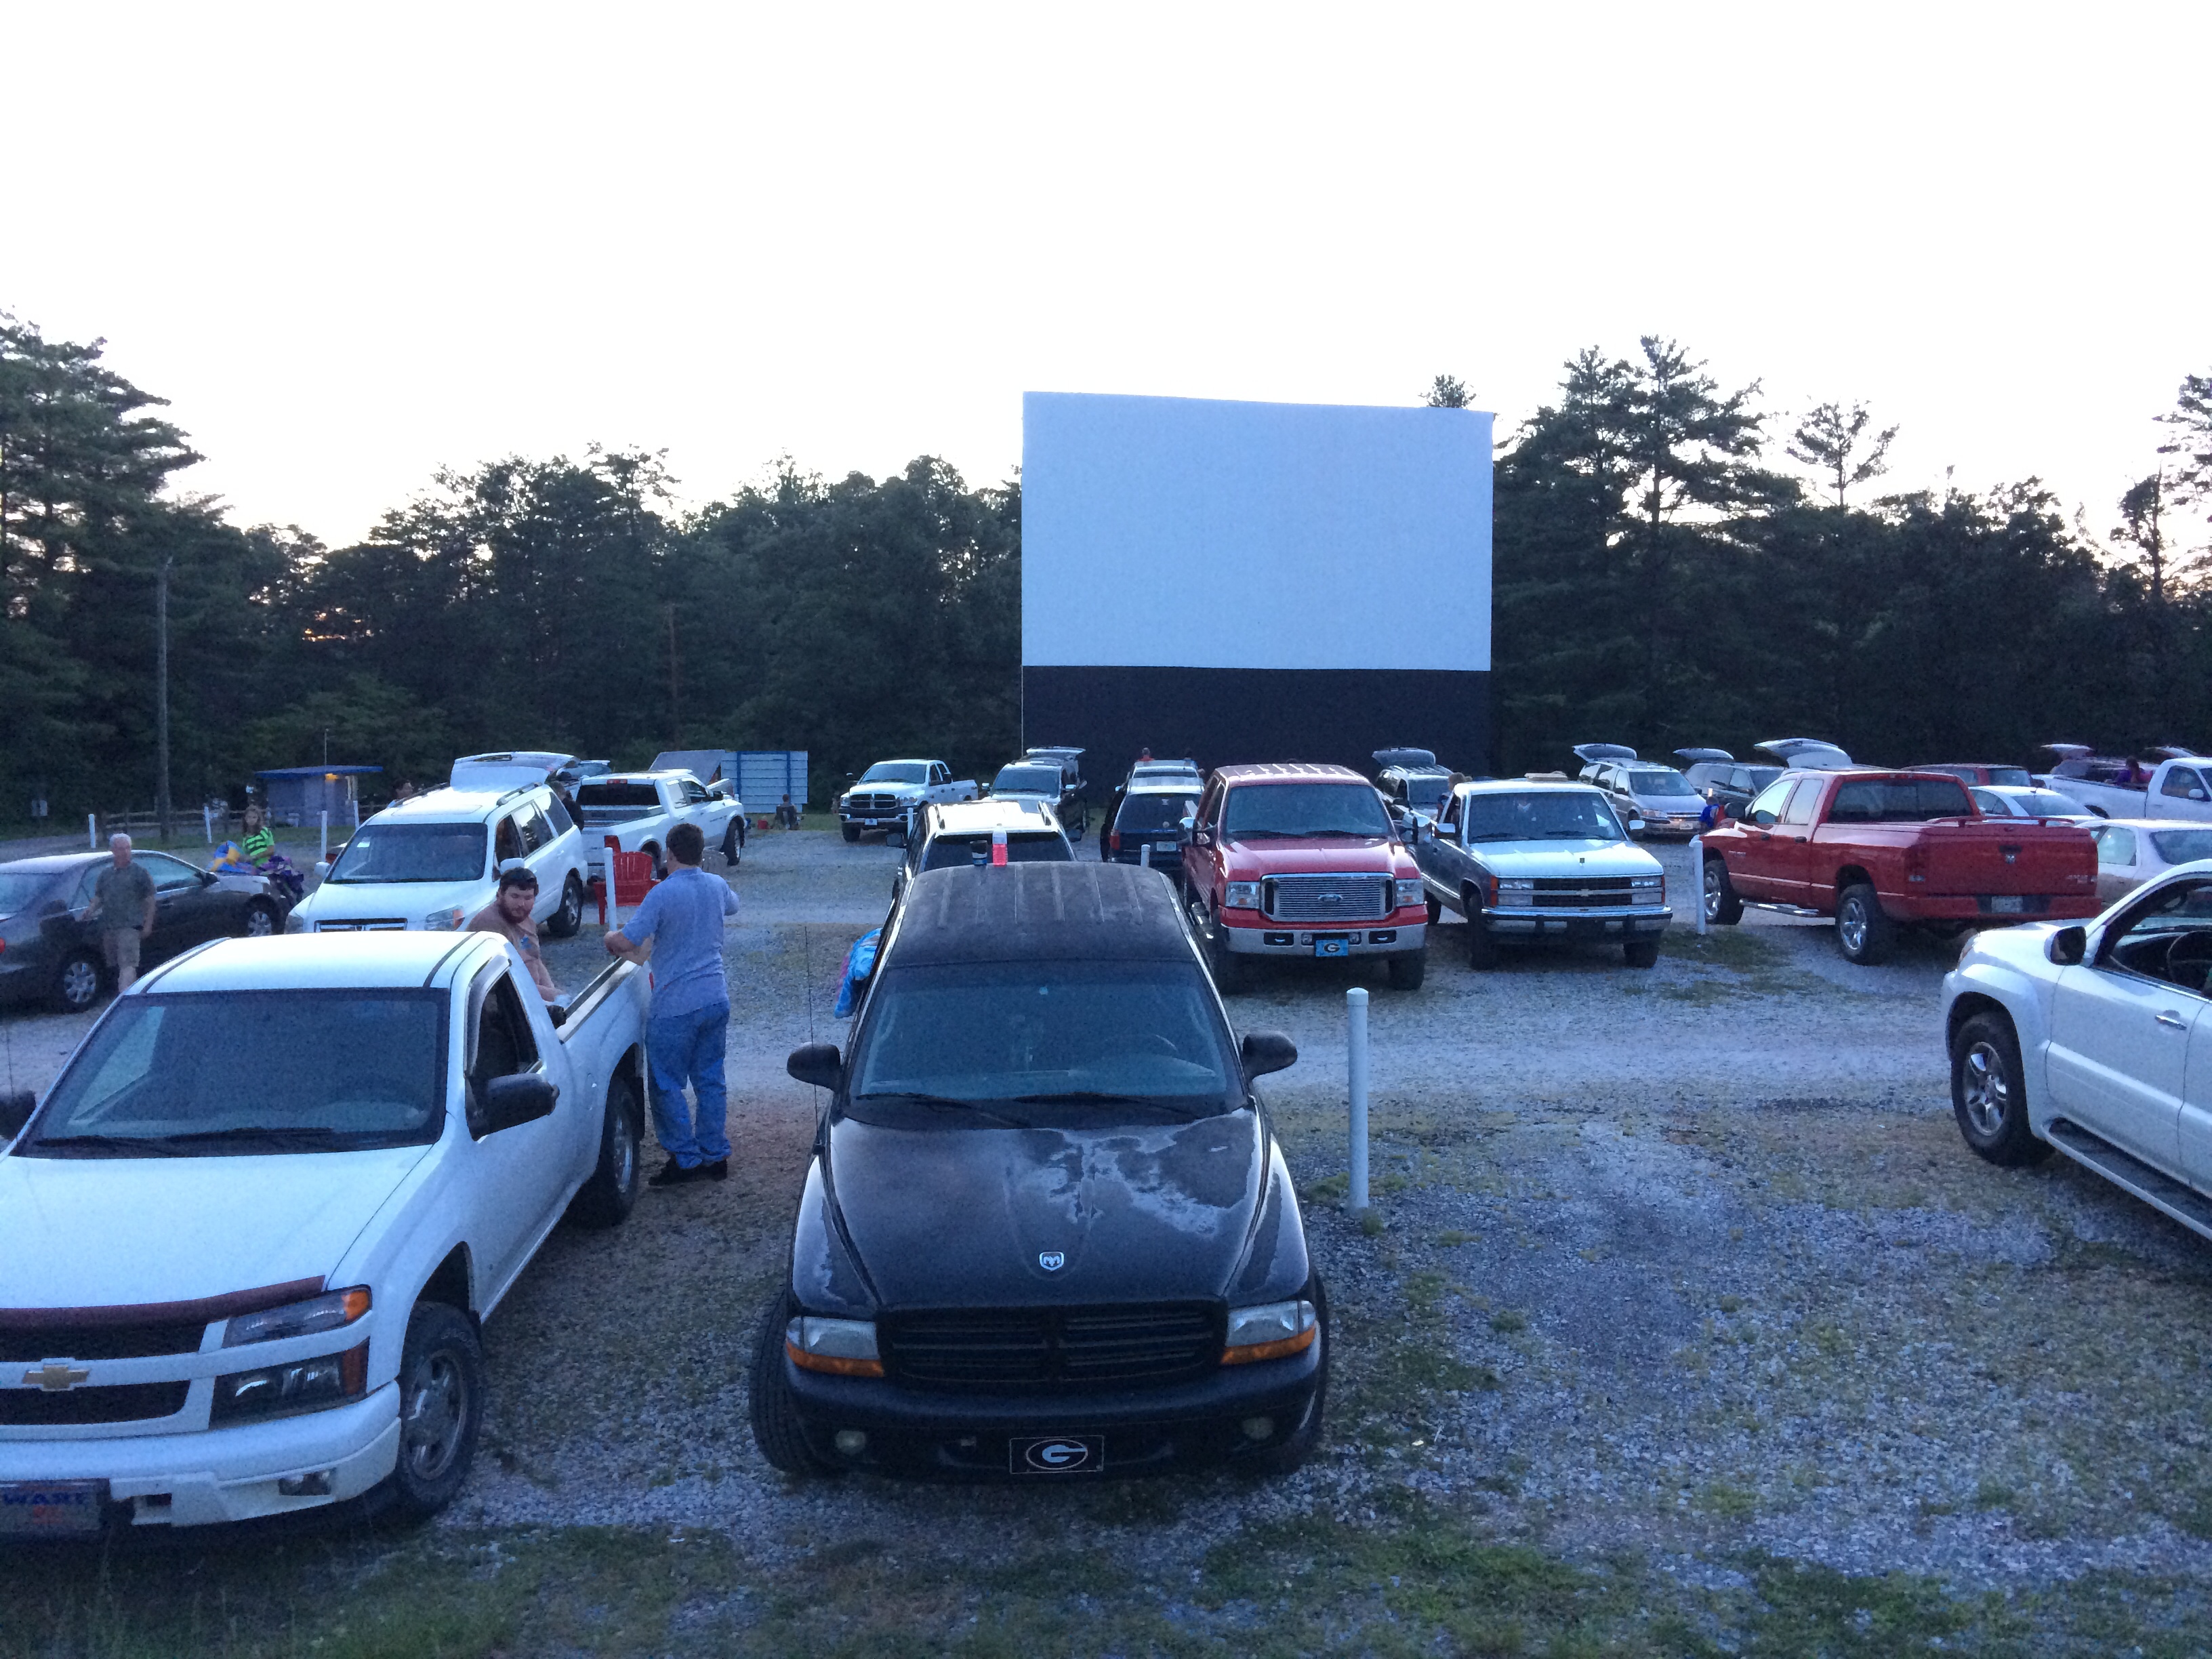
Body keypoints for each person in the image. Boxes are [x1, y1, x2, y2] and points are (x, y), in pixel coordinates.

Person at [603, 821, 739, 1185]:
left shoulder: (661, 893)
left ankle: (685, 1158)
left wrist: (609, 937)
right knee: (710, 1079)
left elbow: (628, 941)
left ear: (669, 852)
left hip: (676, 1004)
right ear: (700, 852)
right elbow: (734, 906)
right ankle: (715, 1153)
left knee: (666, 1082)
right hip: (715, 997)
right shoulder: (717, 885)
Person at [470, 865, 558, 1001]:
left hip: (533, 999)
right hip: (506, 1005)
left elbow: (535, 959)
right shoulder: (489, 926)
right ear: (500, 894)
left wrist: (553, 992)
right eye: (515, 896)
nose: (521, 904)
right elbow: (505, 983)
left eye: (528, 898)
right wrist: (553, 996)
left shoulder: (525, 920)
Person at [87, 832, 157, 994]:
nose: (125, 852)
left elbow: (150, 900)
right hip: (109, 927)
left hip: (130, 927)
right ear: (113, 850)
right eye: (120, 848)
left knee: (128, 964)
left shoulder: (139, 873)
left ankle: (124, 997)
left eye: (128, 848)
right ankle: (124, 993)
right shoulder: (106, 874)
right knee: (115, 964)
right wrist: (90, 910)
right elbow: (99, 896)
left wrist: (148, 925)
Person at [240, 804, 305, 903]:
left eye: (254, 817)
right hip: (258, 868)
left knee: (281, 879)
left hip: (270, 863)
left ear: (258, 819)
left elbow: (271, 850)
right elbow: (245, 855)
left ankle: (295, 897)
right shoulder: (246, 838)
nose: (251, 820)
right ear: (245, 819)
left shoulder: (264, 831)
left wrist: (255, 856)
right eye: (249, 817)